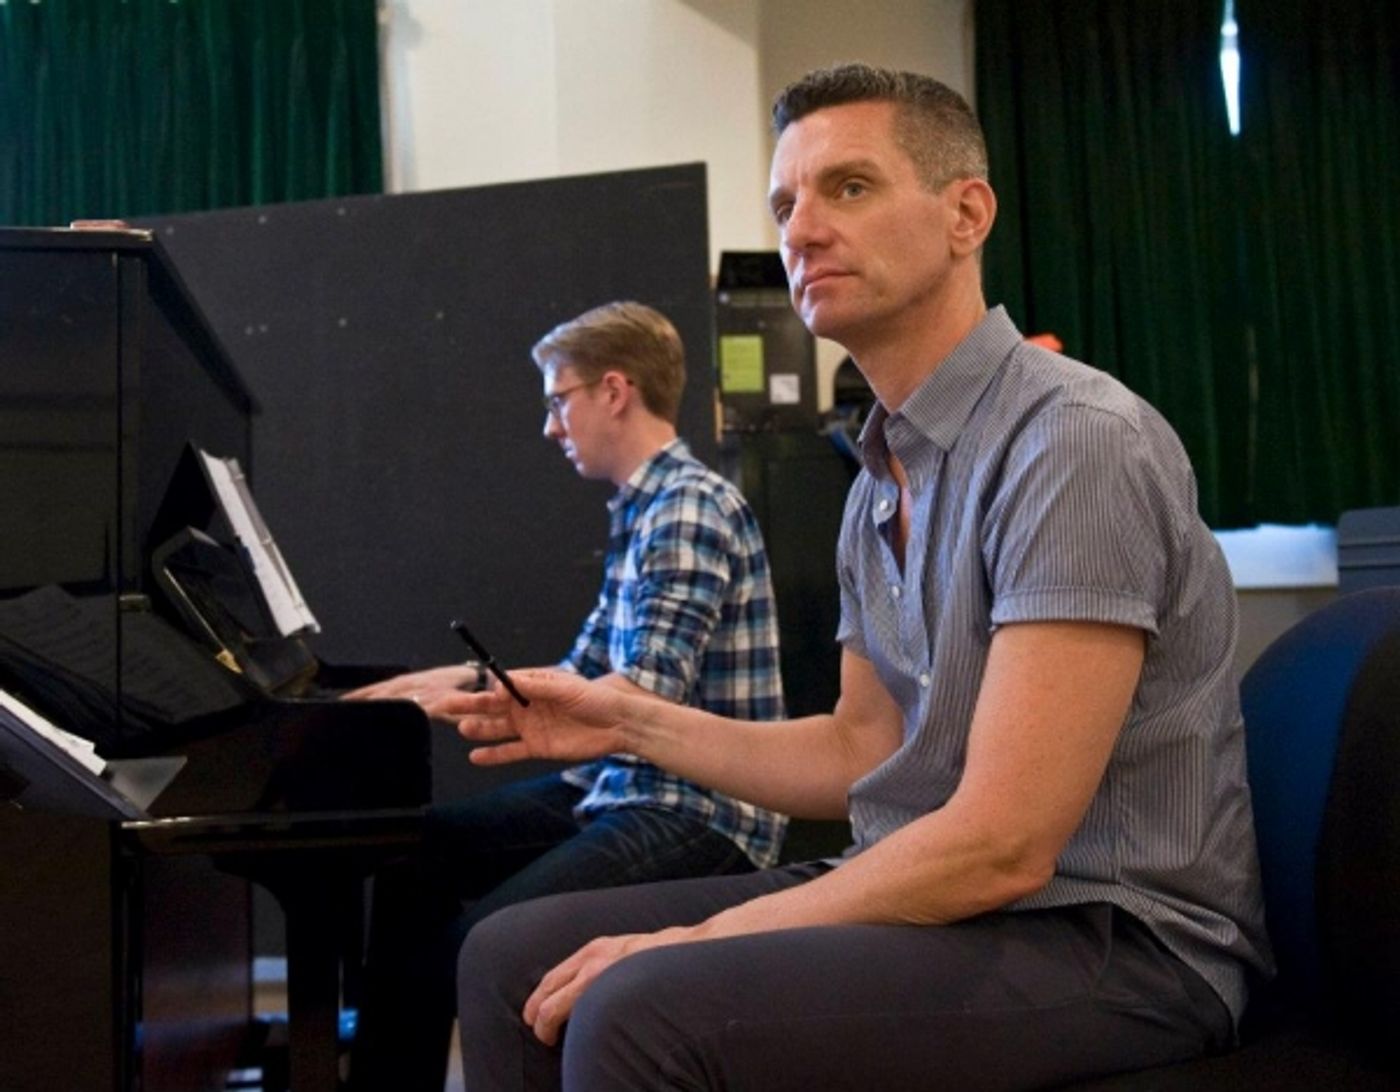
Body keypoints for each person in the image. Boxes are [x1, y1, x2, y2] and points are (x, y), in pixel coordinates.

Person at [445, 63, 1273, 1091]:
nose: (799, 230)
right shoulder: (879, 475)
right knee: (502, 956)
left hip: (1115, 937)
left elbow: (1005, 845)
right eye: (784, 203)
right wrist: (624, 722)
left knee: (639, 1007)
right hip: (962, 902)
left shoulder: (1071, 443)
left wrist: (707, 936)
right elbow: (860, 751)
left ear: (965, 212)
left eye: (848, 188)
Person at [343, 301, 787, 1091]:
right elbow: (574, 672)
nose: (552, 425)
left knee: (486, 943)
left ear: (614, 390)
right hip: (623, 789)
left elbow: (643, 694)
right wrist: (432, 686)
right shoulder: (645, 508)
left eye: (558, 399)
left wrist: (470, 695)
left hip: (696, 809)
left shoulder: (687, 507)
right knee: (416, 852)